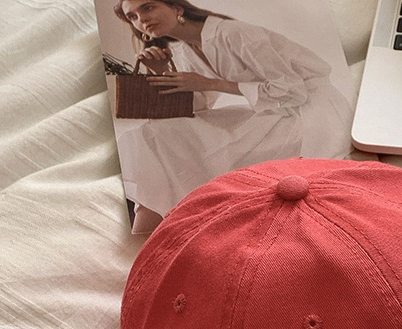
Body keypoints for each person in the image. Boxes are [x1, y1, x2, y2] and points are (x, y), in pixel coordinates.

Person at [113, 0, 353, 232]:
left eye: (148, 7)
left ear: (177, 8)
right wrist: (162, 71)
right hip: (274, 113)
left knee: (178, 142)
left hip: (311, 115)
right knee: (156, 134)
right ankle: (155, 222)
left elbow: (293, 91)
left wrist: (210, 82)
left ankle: (153, 229)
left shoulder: (232, 33)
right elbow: (200, 106)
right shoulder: (185, 49)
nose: (141, 19)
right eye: (132, 16)